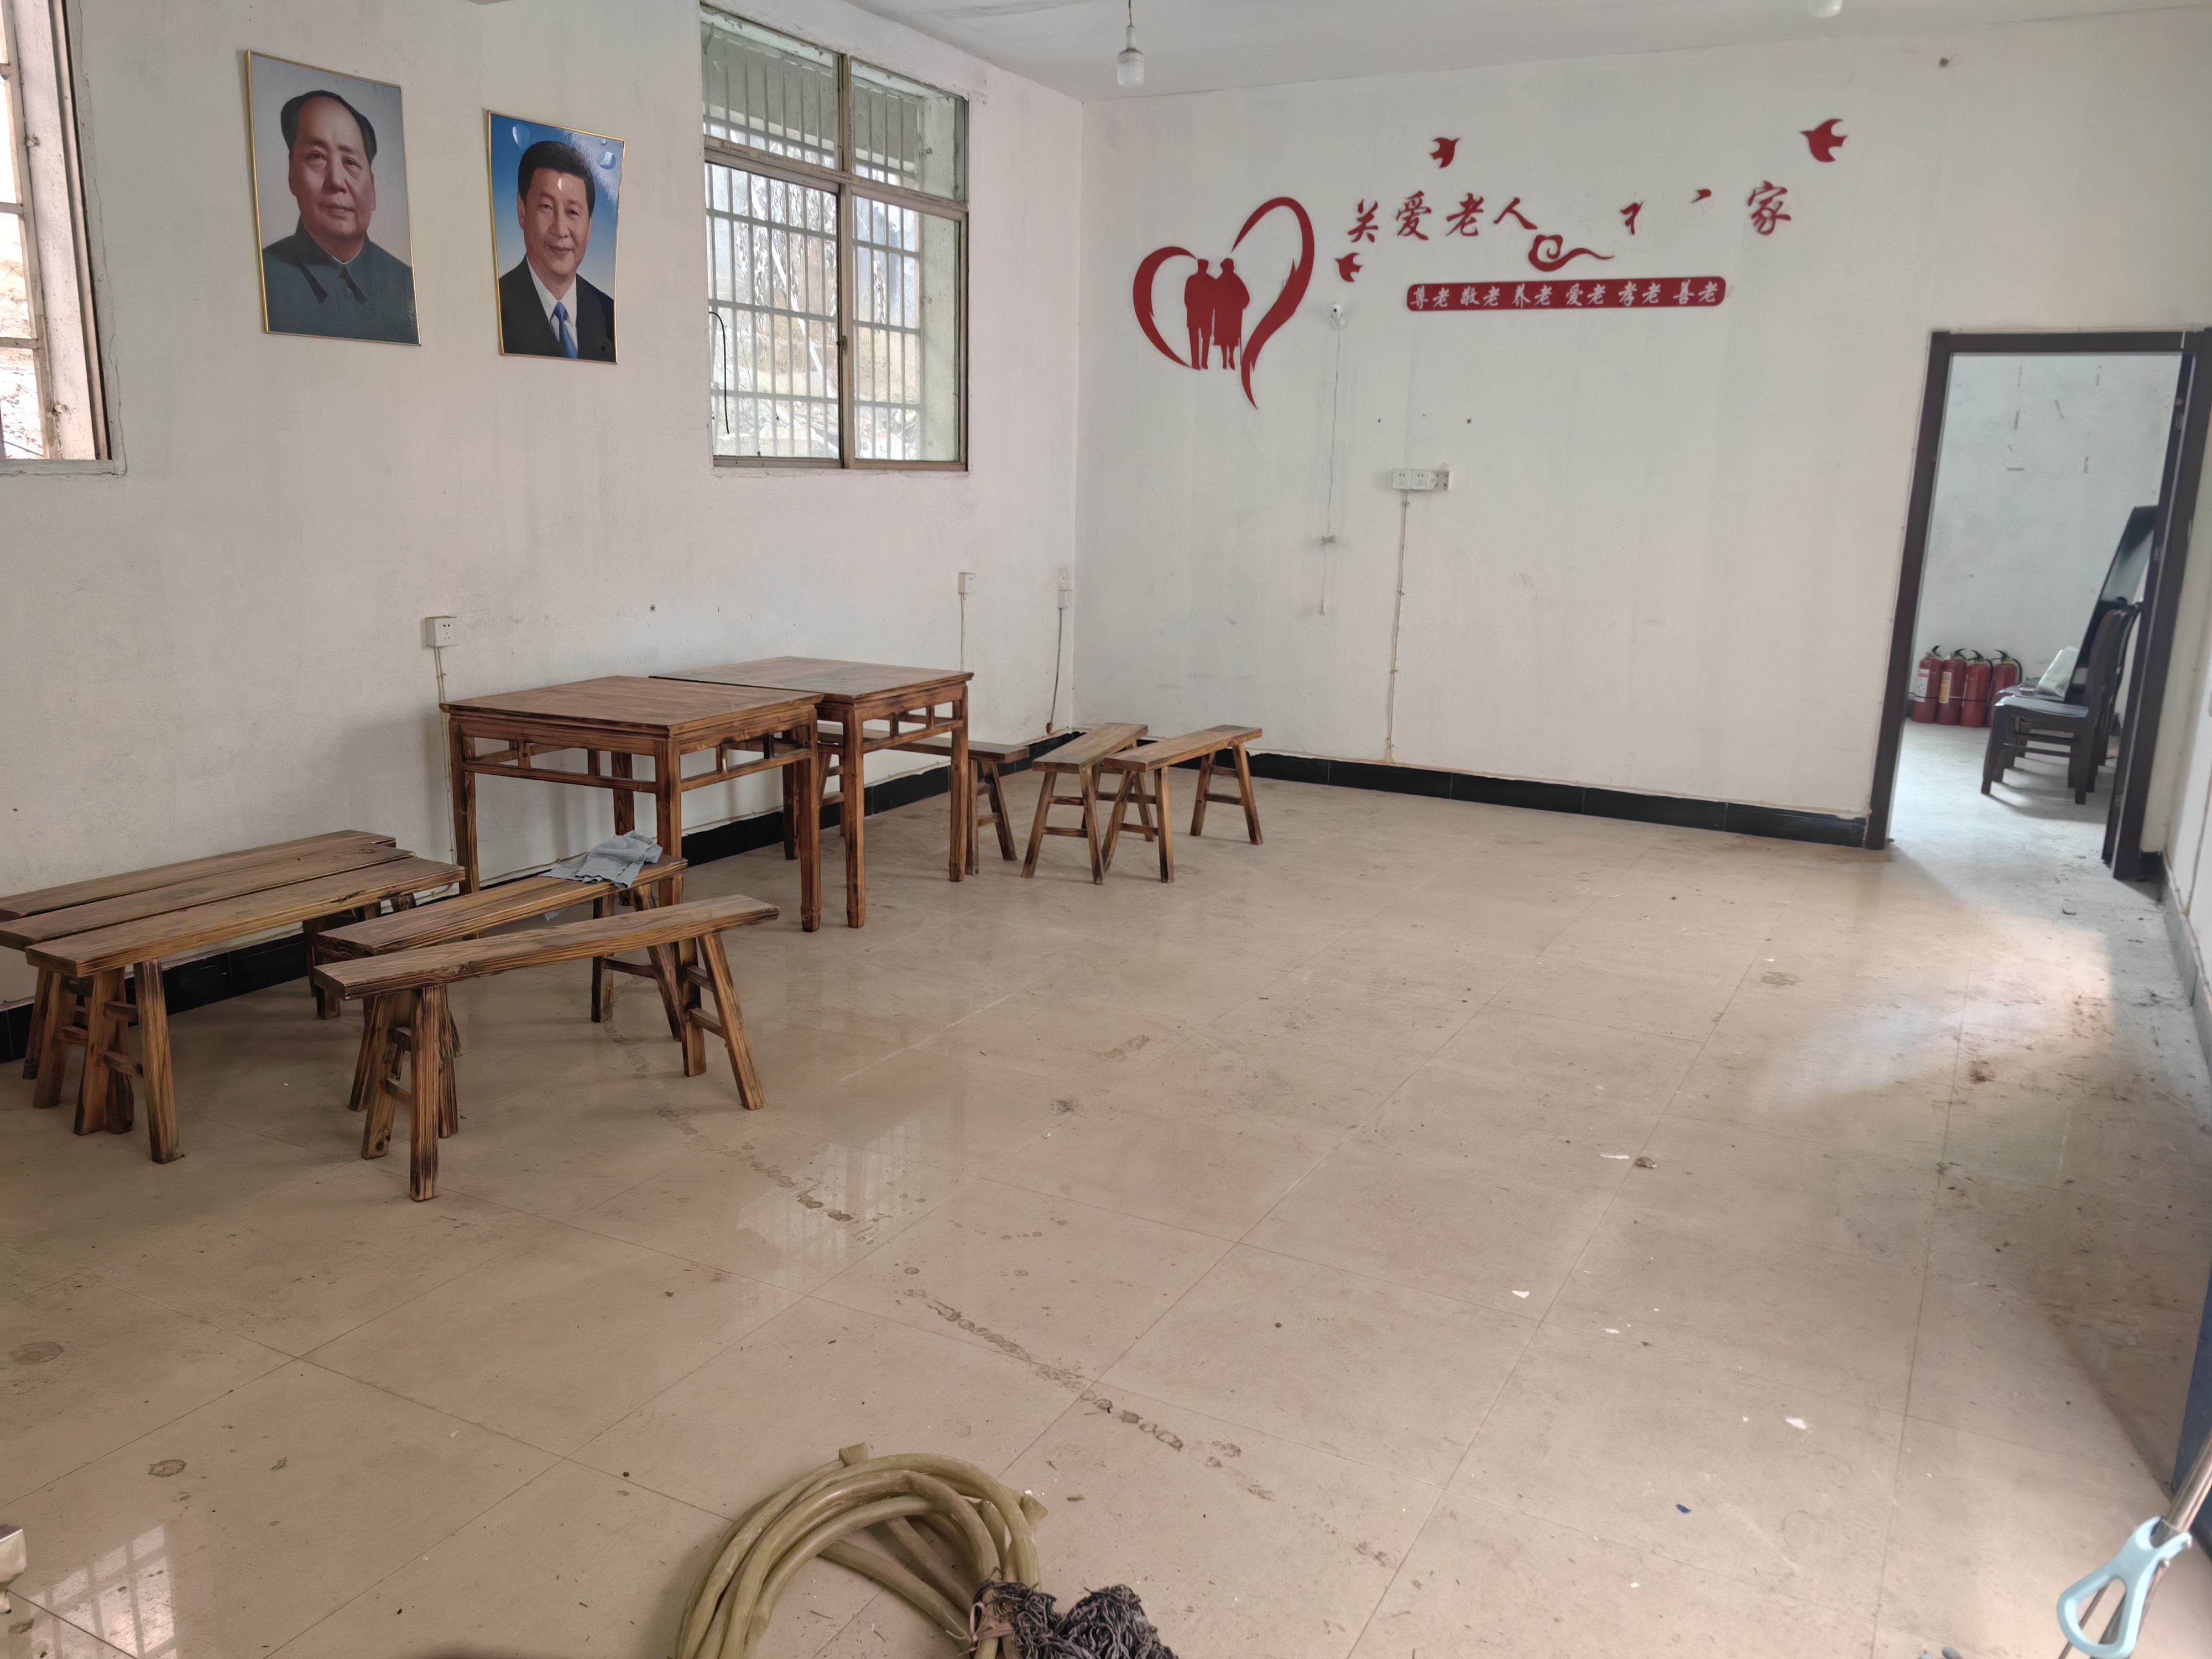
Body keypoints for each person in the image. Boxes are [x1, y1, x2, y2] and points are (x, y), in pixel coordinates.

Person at [260, 90, 418, 343]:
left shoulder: (409, 286)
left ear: (372, 190)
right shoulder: (261, 276)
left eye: (351, 162)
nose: (336, 181)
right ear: (292, 175)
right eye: (317, 157)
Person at [499, 139, 615, 361]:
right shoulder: (494, 305)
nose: (561, 230)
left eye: (573, 212)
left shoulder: (610, 313)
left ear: (589, 227)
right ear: (522, 212)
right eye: (546, 207)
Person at [1212, 257, 1250, 369]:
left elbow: (1246, 298)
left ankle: (1227, 360)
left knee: (1225, 337)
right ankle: (1229, 359)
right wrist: (1241, 306)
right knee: (1229, 337)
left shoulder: (1220, 281)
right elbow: (1246, 298)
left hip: (1224, 314)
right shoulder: (1236, 280)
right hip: (1232, 314)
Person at [1182, 258, 1216, 371]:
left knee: (1194, 340)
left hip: (1194, 314)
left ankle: (1195, 363)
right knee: (1206, 339)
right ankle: (1204, 363)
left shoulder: (1191, 280)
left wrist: (1192, 309)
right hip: (1206, 314)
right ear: (1206, 267)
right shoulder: (1211, 281)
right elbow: (1215, 299)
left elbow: (1187, 299)